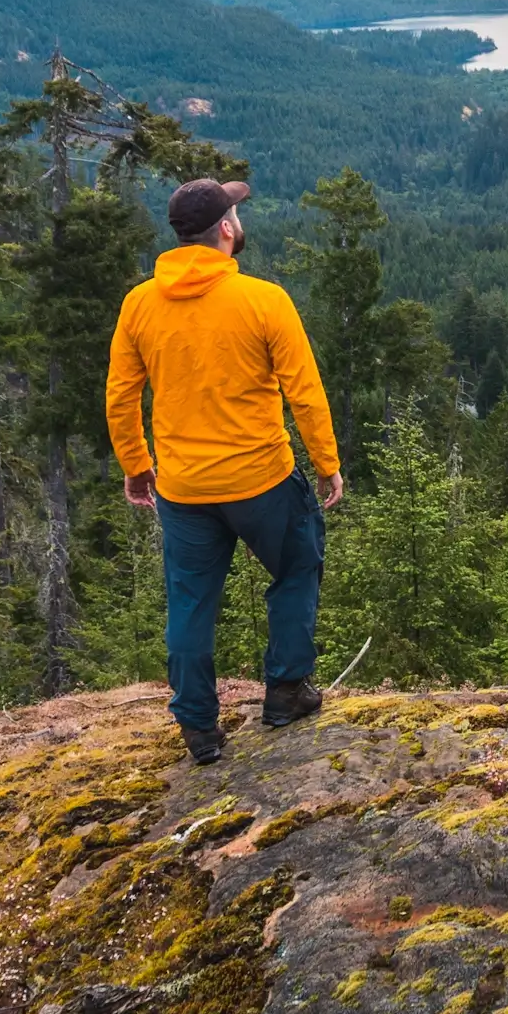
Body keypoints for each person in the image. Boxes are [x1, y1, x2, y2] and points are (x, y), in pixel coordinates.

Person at [106, 176, 344, 765]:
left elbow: (120, 397)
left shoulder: (140, 304)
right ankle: (286, 691)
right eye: (236, 212)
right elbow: (305, 393)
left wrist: (138, 467)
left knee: (189, 603)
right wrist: (327, 463)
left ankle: (198, 729)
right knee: (296, 567)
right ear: (228, 229)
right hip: (262, 480)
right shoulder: (264, 300)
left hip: (184, 490)